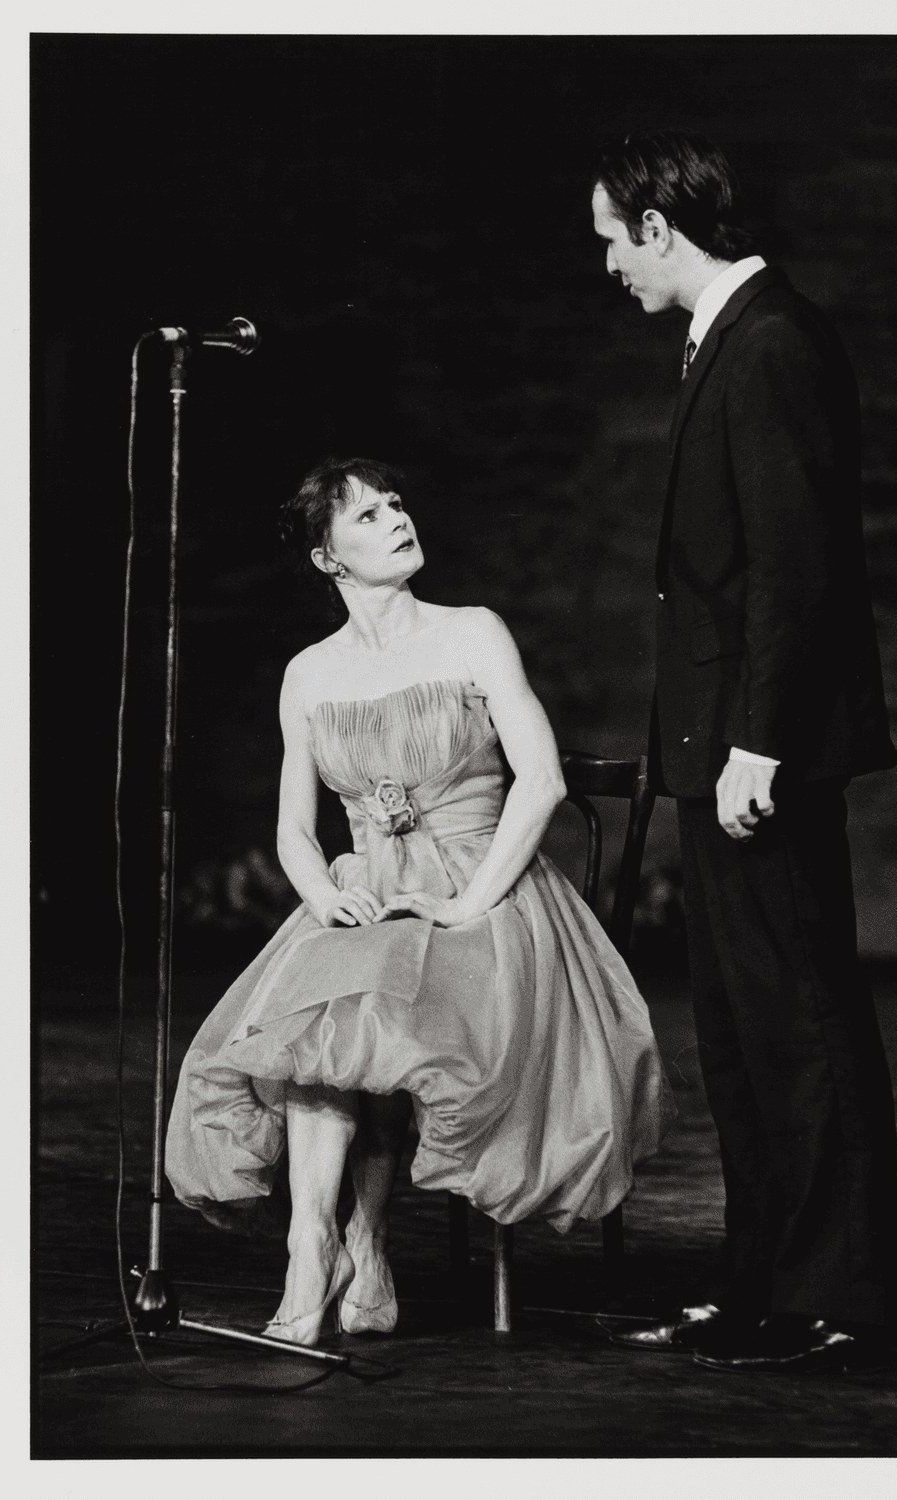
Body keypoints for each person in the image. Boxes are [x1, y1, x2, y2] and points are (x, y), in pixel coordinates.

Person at [165, 456, 672, 1346]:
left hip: (489, 891)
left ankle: (358, 1237)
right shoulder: (309, 674)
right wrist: (325, 897)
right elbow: (292, 829)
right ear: (328, 560)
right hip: (368, 889)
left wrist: (467, 900)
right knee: (318, 1018)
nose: (395, 519)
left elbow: (542, 780)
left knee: (381, 1021)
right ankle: (316, 1244)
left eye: (395, 503)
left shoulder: (472, 630)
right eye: (365, 517)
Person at [591, 131, 897, 1372]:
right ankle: (762, 1284)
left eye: (614, 240)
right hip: (717, 746)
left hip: (751, 753)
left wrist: (756, 746)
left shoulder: (771, 342)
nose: (610, 264)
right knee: (740, 1034)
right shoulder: (733, 336)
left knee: (800, 1022)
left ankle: (841, 1300)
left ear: (660, 229)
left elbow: (797, 569)